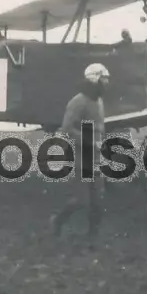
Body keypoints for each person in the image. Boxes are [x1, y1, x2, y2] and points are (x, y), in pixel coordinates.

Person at [50, 63, 110, 244]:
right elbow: (66, 129)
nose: (107, 82)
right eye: (105, 78)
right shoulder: (78, 101)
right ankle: (57, 221)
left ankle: (92, 238)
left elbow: (99, 127)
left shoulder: (98, 100)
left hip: (96, 157)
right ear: (95, 78)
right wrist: (91, 141)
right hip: (82, 157)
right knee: (82, 201)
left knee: (98, 202)